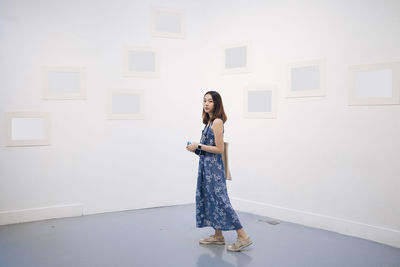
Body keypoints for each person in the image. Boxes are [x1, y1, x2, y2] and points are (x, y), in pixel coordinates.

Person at [186, 91, 253, 252]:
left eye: (210, 101)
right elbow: (209, 149)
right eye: (204, 101)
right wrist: (195, 149)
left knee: (221, 201)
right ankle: (218, 235)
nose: (206, 103)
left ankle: (243, 236)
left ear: (216, 104)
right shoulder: (208, 122)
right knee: (211, 199)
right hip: (206, 167)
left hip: (214, 170)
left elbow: (219, 149)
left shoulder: (217, 122)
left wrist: (199, 146)